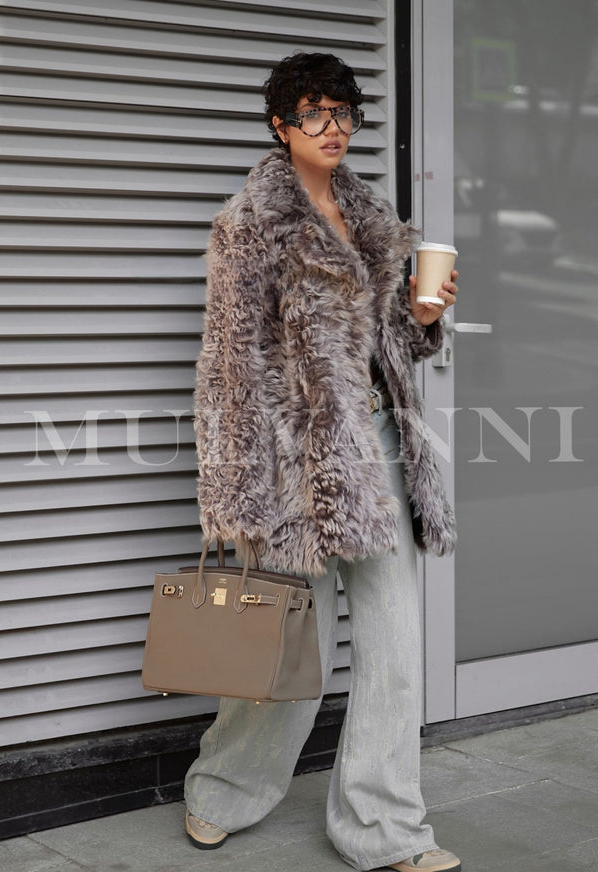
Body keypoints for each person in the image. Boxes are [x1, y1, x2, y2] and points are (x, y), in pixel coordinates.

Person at [185, 52, 461, 872]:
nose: (333, 129)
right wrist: (235, 492)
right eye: (315, 113)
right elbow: (227, 362)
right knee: (279, 651)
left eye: (345, 113)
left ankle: (385, 831)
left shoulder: (370, 216)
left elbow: (393, 349)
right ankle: (221, 790)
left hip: (375, 450)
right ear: (280, 124)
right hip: (291, 465)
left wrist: (425, 315)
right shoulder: (250, 222)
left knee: (393, 652)